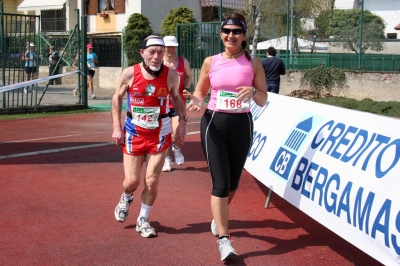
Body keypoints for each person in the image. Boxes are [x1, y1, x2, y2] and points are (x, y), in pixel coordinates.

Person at [186, 13, 268, 261]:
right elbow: (200, 91)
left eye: (236, 32)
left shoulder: (253, 63)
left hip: (242, 124)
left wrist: (253, 91)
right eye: (226, 31)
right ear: (221, 34)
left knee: (233, 184)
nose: (230, 36)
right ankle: (224, 240)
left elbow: (263, 99)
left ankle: (218, 217)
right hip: (214, 124)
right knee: (220, 184)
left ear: (244, 36)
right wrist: (196, 101)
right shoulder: (211, 61)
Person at [111, 35, 187, 238]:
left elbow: (177, 98)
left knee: (152, 181)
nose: (156, 56)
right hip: (134, 133)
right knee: (132, 182)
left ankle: (143, 219)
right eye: (151, 52)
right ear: (142, 53)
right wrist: (116, 127)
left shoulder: (171, 75)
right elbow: (117, 97)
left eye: (160, 52)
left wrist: (182, 123)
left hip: (160, 134)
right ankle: (126, 197)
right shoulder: (130, 73)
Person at [161, 35, 193, 172]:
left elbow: (190, 76)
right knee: (166, 134)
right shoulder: (158, 61)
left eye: (173, 46)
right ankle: (167, 160)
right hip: (162, 104)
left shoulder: (182, 61)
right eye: (168, 46)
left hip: (178, 103)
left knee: (177, 133)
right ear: (163, 47)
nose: (170, 49)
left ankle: (177, 148)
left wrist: (186, 87)